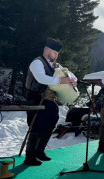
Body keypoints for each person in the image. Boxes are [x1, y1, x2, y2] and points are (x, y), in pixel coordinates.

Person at [24, 38, 77, 166]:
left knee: (51, 122)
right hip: (35, 98)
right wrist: (62, 81)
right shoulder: (37, 62)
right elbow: (41, 78)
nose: (57, 55)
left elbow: (70, 74)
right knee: (36, 125)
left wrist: (73, 80)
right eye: (55, 53)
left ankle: (39, 151)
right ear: (47, 50)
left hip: (48, 100)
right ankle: (29, 156)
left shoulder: (55, 65)